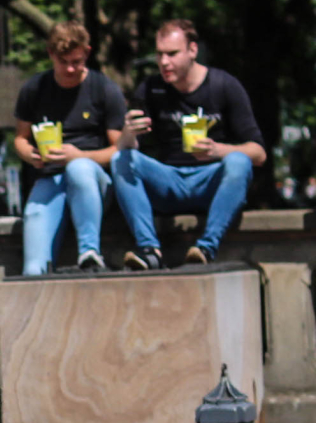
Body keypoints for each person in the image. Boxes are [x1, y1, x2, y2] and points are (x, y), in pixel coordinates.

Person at [111, 20, 266, 268]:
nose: (164, 62)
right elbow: (127, 151)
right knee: (120, 158)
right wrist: (127, 133)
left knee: (239, 161)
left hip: (210, 183)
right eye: (159, 54)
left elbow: (259, 153)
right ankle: (149, 250)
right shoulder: (151, 89)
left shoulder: (224, 85)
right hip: (169, 181)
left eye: (172, 54)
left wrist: (218, 150)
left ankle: (206, 247)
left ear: (192, 50)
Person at [11, 23, 127, 275]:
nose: (71, 69)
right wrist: (30, 155)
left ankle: (90, 252)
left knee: (79, 168)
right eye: (64, 62)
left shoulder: (104, 89)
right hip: (49, 177)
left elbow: (120, 150)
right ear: (50, 54)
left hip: (92, 178)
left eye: (77, 61)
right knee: (32, 268)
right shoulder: (34, 89)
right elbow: (20, 138)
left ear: (87, 52)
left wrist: (80, 156)